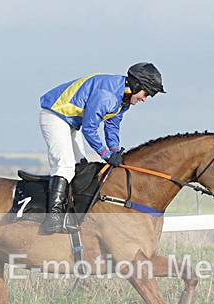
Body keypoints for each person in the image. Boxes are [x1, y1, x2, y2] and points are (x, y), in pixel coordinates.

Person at [38, 62, 165, 233]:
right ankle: (53, 218)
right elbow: (90, 129)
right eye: (146, 93)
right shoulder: (108, 96)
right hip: (55, 116)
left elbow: (112, 127)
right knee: (65, 165)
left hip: (70, 123)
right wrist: (106, 155)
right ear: (137, 85)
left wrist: (115, 150)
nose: (144, 99)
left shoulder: (123, 100)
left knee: (80, 166)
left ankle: (70, 211)